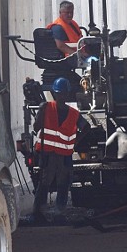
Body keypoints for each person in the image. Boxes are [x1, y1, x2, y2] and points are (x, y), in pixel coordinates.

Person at [32, 77, 89, 222]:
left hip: (51, 154)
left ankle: (39, 213)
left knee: (46, 184)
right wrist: (75, 142)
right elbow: (86, 128)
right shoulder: (73, 113)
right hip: (61, 155)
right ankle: (58, 212)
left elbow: (36, 126)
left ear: (54, 93)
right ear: (67, 93)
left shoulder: (45, 108)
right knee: (61, 184)